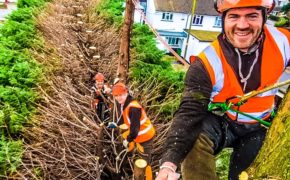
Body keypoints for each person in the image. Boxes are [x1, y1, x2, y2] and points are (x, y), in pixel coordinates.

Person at [156, 0, 290, 179]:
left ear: (264, 17)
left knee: (245, 176)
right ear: (224, 19)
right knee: (193, 138)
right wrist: (169, 163)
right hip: (223, 122)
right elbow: (189, 114)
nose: (242, 25)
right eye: (234, 16)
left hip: (260, 127)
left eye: (252, 16)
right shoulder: (207, 63)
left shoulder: (283, 42)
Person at [111, 82, 155, 180]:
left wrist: (128, 140)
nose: (118, 98)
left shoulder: (133, 108)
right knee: (128, 141)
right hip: (138, 136)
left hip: (145, 138)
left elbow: (134, 130)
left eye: (121, 95)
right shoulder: (126, 103)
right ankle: (128, 161)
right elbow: (124, 117)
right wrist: (116, 124)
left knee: (145, 163)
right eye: (116, 96)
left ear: (126, 93)